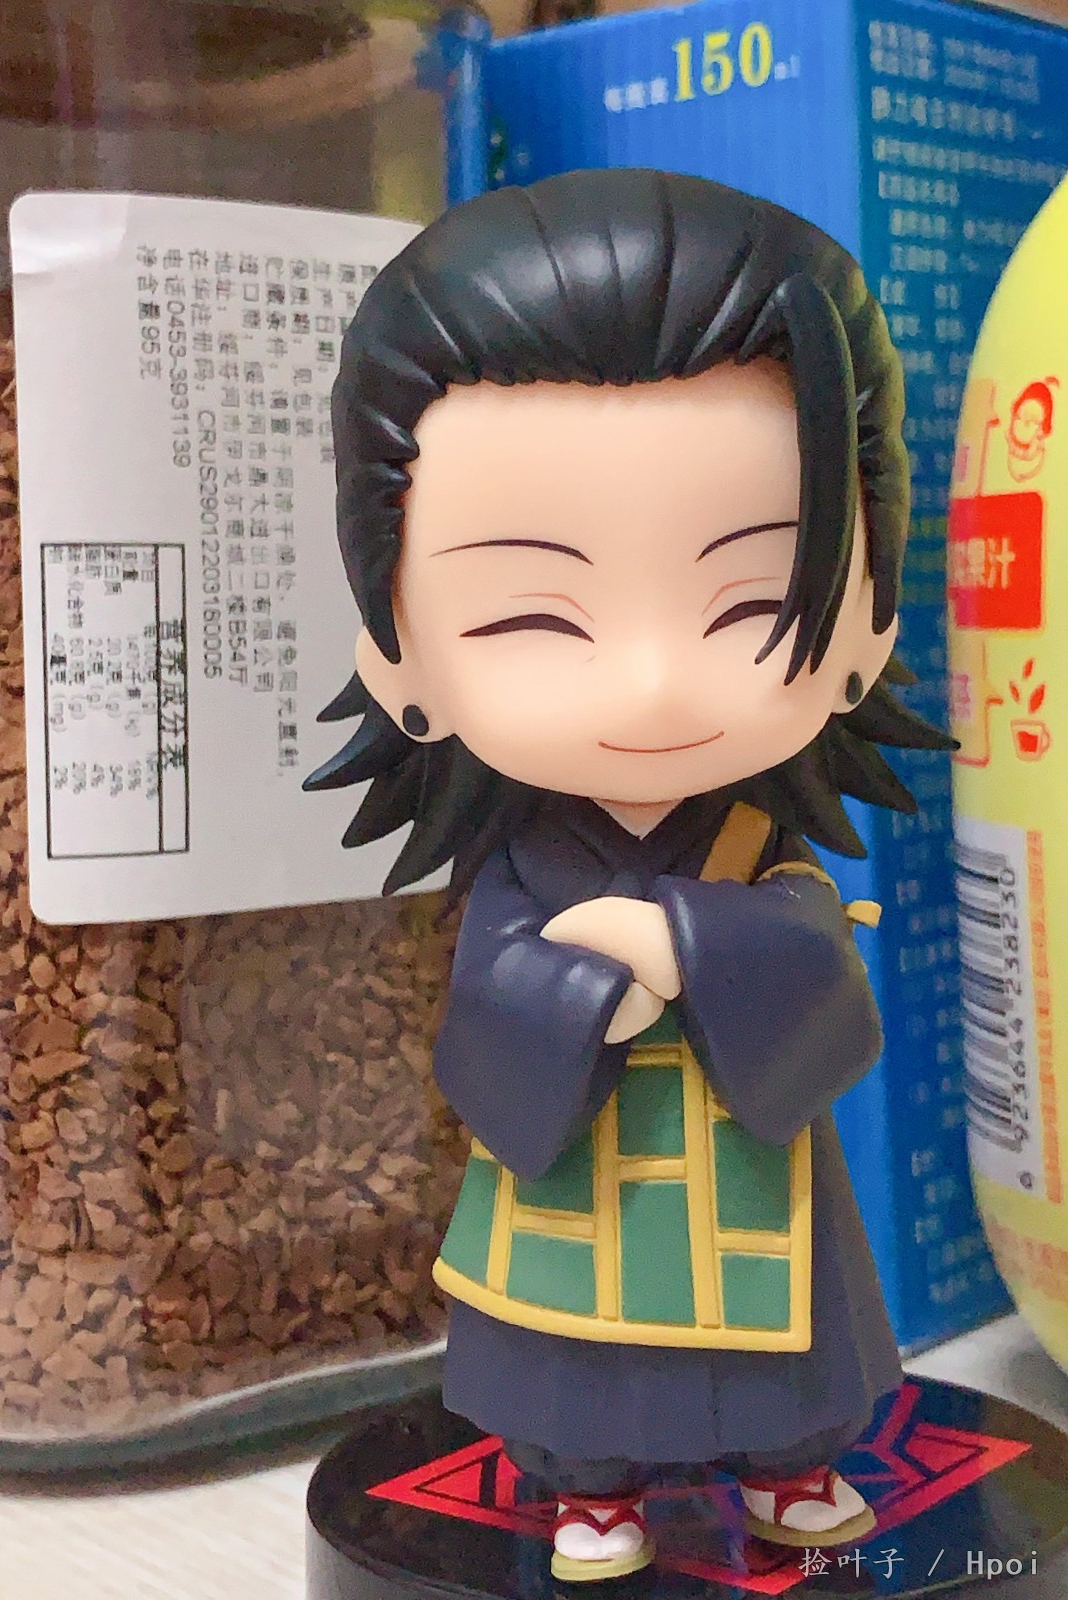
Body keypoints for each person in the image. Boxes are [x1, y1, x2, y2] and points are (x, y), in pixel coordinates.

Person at [306, 168, 951, 1583]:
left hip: (756, 1189)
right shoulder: (525, 872)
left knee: (796, 1343)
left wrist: (691, 951)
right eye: (536, 616)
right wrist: (574, 994)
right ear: (400, 656)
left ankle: (790, 1466)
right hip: (580, 1191)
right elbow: (485, 1036)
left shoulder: (764, 858)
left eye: (751, 601)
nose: (655, 682)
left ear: (863, 625)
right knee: (572, 1372)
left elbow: (826, 996)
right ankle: (590, 1490)